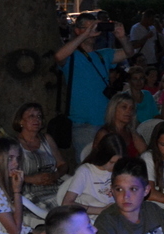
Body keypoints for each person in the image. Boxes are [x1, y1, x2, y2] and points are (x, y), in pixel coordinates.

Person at [54, 13, 136, 158]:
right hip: (83, 123)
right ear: (77, 30)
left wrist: (122, 37)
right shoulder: (71, 56)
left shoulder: (103, 54)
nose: (93, 31)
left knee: (111, 161)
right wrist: (85, 34)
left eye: (95, 27)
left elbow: (129, 52)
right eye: (88, 27)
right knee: (89, 163)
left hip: (107, 121)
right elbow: (58, 56)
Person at [12, 102, 66, 209]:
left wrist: (56, 175)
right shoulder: (13, 143)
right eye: (31, 116)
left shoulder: (47, 139)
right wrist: (30, 179)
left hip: (54, 186)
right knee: (63, 205)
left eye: (39, 116)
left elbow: (62, 164)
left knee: (78, 198)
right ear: (21, 121)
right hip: (28, 190)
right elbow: (5, 173)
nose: (36, 119)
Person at [63, 134, 124, 215]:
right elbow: (66, 203)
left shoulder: (120, 169)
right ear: (103, 156)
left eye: (118, 162)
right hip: (94, 214)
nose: (115, 166)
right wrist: (102, 210)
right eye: (111, 162)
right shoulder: (85, 171)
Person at [94, 92, 149, 159]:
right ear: (113, 109)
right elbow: (96, 159)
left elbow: (146, 153)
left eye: (131, 108)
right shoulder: (104, 134)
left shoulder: (131, 133)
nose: (129, 111)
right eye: (124, 107)